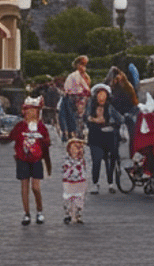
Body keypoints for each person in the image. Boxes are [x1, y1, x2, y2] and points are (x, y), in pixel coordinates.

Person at [8, 97, 52, 225]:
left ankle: (39, 210)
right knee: (24, 187)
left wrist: (41, 139)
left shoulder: (41, 127)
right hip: (22, 159)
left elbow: (47, 141)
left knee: (36, 188)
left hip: (36, 158)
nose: (31, 113)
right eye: (29, 111)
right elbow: (11, 137)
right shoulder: (20, 126)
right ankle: (26, 213)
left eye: (34, 111)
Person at [84, 84, 122, 194]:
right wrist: (93, 120)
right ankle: (95, 184)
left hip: (109, 138)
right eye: (100, 94)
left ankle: (111, 183)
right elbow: (85, 117)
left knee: (110, 162)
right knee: (96, 161)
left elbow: (120, 119)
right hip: (95, 137)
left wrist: (109, 122)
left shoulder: (110, 107)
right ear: (96, 96)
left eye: (104, 95)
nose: (102, 97)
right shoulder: (90, 107)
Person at [59, 136, 89, 224]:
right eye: (75, 147)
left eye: (80, 148)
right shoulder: (66, 160)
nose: (78, 150)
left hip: (80, 181)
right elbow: (64, 170)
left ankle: (78, 215)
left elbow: (85, 169)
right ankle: (68, 214)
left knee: (79, 199)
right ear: (69, 150)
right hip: (69, 182)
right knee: (68, 199)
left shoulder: (82, 159)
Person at [61, 55, 93, 138]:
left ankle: (79, 130)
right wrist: (87, 92)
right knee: (79, 115)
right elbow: (85, 87)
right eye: (82, 65)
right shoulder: (76, 75)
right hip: (76, 97)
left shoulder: (83, 76)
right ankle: (78, 132)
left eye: (84, 65)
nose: (83, 67)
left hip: (76, 96)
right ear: (78, 65)